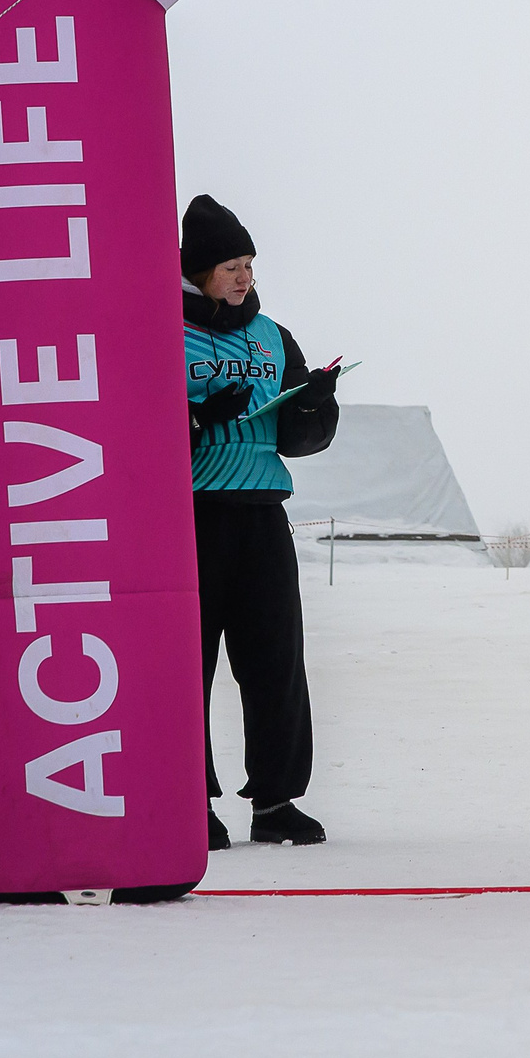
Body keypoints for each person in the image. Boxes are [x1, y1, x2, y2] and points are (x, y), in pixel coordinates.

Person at [181, 194, 342, 850]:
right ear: (197, 272)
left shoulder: (273, 336)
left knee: (276, 661)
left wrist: (314, 409)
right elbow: (130, 426)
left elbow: (300, 439)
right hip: (193, 516)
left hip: (262, 513)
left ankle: (275, 800)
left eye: (248, 262)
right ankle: (187, 799)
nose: (243, 276)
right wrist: (194, 417)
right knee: (187, 664)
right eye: (229, 265)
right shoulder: (163, 328)